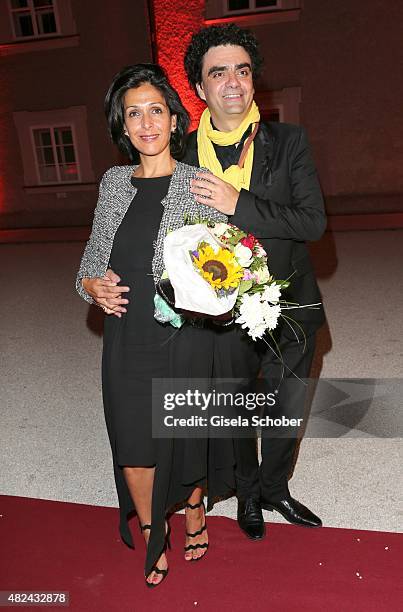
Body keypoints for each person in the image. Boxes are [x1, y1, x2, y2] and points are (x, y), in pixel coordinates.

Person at [75, 64, 250, 586]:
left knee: (185, 433)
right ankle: (155, 529)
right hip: (127, 333)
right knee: (131, 435)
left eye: (156, 110)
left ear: (175, 120)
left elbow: (233, 260)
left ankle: (194, 509)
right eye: (134, 113)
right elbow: (88, 265)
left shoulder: (200, 185)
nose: (146, 122)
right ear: (122, 125)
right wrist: (92, 287)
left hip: (184, 335)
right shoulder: (112, 184)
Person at [183, 24, 326, 540]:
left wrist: (237, 203)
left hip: (292, 302)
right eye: (218, 72)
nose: (233, 83)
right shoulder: (181, 156)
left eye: (242, 71)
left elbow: (312, 222)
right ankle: (247, 494)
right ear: (200, 88)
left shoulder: (288, 141)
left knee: (287, 408)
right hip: (222, 311)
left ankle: (275, 488)